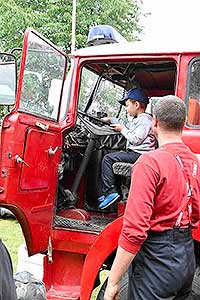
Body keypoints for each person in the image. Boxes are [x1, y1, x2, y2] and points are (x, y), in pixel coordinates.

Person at [104, 95, 200, 300]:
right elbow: (197, 211)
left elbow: (134, 230)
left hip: (157, 263)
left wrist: (113, 281)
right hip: (187, 259)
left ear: (154, 122)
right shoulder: (194, 163)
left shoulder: (149, 163)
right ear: (183, 123)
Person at [98, 87, 156, 209]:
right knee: (108, 153)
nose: (126, 108)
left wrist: (121, 130)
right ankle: (106, 191)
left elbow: (135, 139)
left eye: (127, 105)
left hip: (140, 155)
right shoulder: (139, 119)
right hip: (136, 153)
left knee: (108, 159)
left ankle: (111, 192)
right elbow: (126, 124)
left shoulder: (144, 121)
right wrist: (111, 120)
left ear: (136, 104)